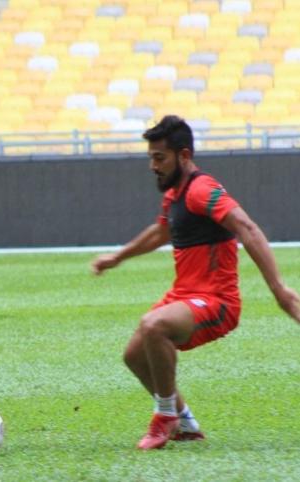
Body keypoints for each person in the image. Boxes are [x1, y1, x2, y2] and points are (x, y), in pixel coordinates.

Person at [91, 115, 300, 450]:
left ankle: (164, 417)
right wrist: (118, 258)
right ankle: (186, 424)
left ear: (184, 156)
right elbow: (160, 231)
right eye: (151, 158)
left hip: (217, 301)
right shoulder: (175, 193)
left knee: (154, 326)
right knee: (134, 355)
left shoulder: (202, 189)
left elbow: (247, 227)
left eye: (160, 158)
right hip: (185, 296)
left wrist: (279, 290)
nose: (153, 166)